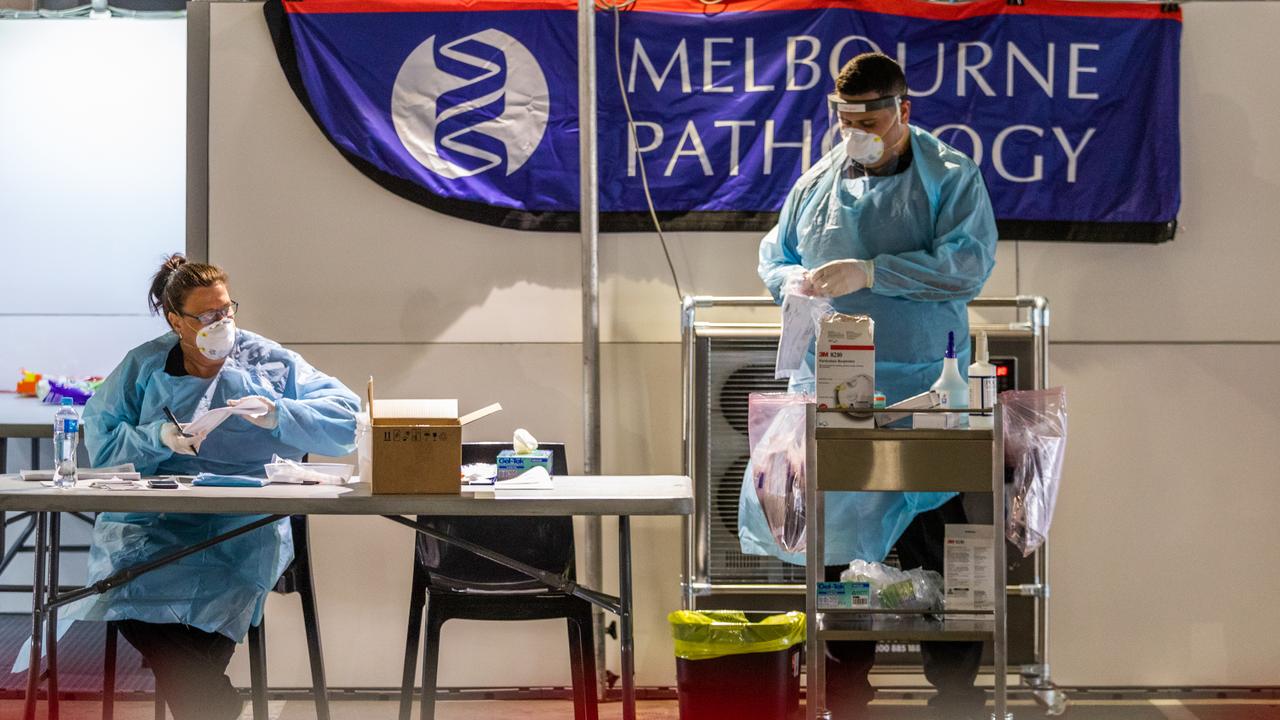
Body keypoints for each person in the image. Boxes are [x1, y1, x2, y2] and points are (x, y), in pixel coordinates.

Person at [738, 53, 998, 718]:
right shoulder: (819, 183)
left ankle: (958, 702)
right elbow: (777, 255)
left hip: (923, 393)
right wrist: (792, 283)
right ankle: (843, 699)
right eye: (845, 118)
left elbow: (965, 267)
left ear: (903, 110)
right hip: (836, 394)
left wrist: (874, 272)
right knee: (838, 558)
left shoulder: (949, 177)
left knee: (937, 549)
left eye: (870, 118)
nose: (856, 130)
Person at [79, 254, 360, 720]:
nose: (221, 322)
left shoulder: (269, 361)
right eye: (207, 316)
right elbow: (101, 441)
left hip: (245, 524)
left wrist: (278, 413)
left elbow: (348, 421)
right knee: (125, 595)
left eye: (227, 310)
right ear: (176, 320)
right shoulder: (144, 367)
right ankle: (215, 705)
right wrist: (158, 437)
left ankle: (209, 705)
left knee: (211, 608)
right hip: (155, 524)